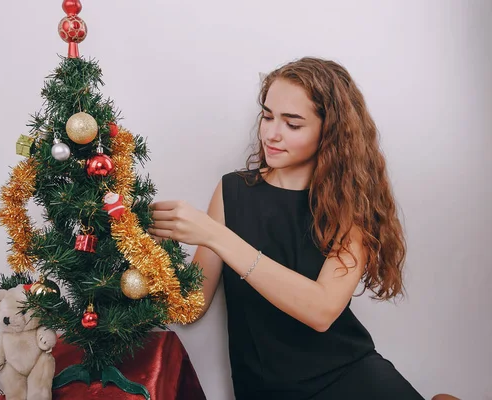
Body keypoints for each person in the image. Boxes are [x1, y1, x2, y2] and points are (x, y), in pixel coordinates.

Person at [148, 57, 458, 400]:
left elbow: (321, 310)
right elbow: (191, 305)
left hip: (350, 379)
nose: (271, 133)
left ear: (330, 132)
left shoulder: (350, 207)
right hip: (265, 389)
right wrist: (141, 246)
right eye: (267, 116)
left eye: (292, 124)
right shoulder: (232, 191)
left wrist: (215, 235)